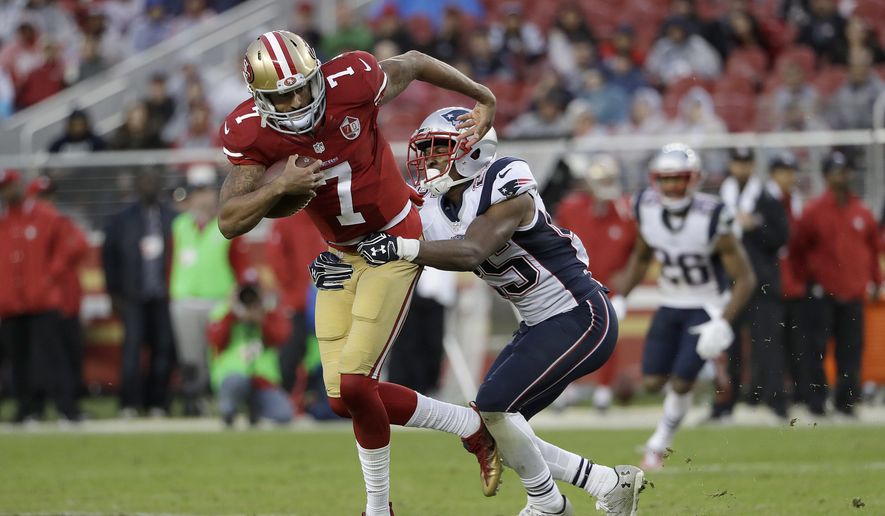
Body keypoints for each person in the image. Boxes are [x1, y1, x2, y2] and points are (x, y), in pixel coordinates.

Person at [217, 31, 497, 516]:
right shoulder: (249, 130)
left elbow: (413, 61)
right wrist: (276, 186)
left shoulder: (353, 79)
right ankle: (471, 427)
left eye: (303, 87)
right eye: (283, 96)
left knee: (354, 385)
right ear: (260, 100)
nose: (299, 100)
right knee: (343, 400)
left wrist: (481, 95)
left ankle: (377, 508)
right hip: (340, 255)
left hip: (393, 237)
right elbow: (229, 219)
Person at [331, 106, 645, 516]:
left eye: (439, 149)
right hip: (538, 324)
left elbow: (472, 250)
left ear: (473, 151)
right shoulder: (432, 207)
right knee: (489, 427)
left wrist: (401, 247)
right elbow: (384, 248)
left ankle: (548, 504)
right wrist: (342, 258)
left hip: (580, 313)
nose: (430, 160)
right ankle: (605, 482)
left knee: (496, 408)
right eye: (426, 150)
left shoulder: (504, 179)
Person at [616, 143, 756, 470]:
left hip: (705, 306)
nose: (671, 187)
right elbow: (641, 257)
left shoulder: (712, 216)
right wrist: (620, 296)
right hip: (670, 302)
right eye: (665, 180)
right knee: (652, 383)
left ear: (693, 179)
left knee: (680, 382)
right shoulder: (646, 208)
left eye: (678, 179)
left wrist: (722, 321)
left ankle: (657, 446)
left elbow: (746, 278)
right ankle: (711, 368)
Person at [790, 151, 883, 416]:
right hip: (822, 292)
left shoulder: (861, 212)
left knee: (851, 350)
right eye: (837, 171)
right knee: (816, 349)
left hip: (853, 292)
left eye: (845, 171)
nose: (842, 176)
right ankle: (817, 402)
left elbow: (872, 250)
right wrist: (805, 280)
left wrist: (876, 281)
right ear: (826, 176)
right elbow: (798, 249)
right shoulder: (814, 211)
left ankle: (846, 402)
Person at [555, 153, 637, 411]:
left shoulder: (626, 211)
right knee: (567, 337)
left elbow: (640, 251)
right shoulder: (571, 208)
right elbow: (556, 242)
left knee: (607, 337)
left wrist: (628, 277)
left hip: (609, 287)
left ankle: (603, 390)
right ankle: (566, 388)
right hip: (574, 284)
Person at [169, 165, 252, 416]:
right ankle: (195, 401)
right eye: (196, 192)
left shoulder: (226, 224)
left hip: (219, 301)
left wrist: (237, 295)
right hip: (185, 300)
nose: (201, 198)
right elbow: (171, 262)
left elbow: (240, 264)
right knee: (190, 357)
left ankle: (222, 400)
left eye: (205, 191)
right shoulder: (180, 225)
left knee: (219, 355)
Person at [0, 169, 80, 423]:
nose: (7, 192)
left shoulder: (44, 216)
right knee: (19, 359)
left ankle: (66, 408)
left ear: (20, 186)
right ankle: (27, 408)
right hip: (12, 303)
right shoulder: (4, 221)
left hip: (42, 300)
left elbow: (71, 246)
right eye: (4, 188)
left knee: (52, 356)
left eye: (10, 186)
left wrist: (49, 275)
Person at [716, 148, 789, 421]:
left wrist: (755, 225)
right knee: (727, 346)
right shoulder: (720, 200)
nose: (742, 168)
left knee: (768, 345)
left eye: (747, 163)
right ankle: (724, 405)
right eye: (738, 162)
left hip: (762, 283)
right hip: (730, 284)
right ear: (731, 164)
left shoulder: (767, 199)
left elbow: (781, 237)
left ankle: (776, 404)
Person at [101, 168, 176, 417]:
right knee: (132, 350)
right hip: (133, 294)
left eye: (153, 182)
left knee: (163, 350)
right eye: (144, 182)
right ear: (136, 186)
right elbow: (109, 255)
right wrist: (113, 291)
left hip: (163, 295)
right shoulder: (122, 219)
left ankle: (157, 402)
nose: (149, 187)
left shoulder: (171, 217)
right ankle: (128, 403)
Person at [207, 282, 294, 427]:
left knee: (284, 414)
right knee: (235, 382)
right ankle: (228, 411)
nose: (248, 301)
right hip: (233, 376)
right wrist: (232, 313)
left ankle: (255, 412)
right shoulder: (223, 312)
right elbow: (215, 340)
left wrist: (262, 319)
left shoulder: (269, 313)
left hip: (262, 379)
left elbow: (282, 336)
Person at [265, 209, 327, 395]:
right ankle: (288, 395)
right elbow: (276, 260)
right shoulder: (285, 220)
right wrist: (290, 290)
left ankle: (315, 397)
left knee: (323, 352)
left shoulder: (325, 217)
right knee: (292, 351)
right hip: (297, 301)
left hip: (323, 298)